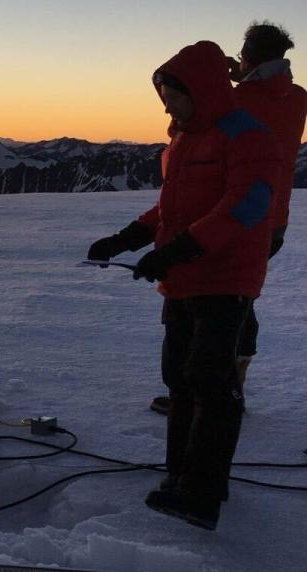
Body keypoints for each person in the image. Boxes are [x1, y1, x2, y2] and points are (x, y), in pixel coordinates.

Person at [86, 41, 280, 529]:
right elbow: (170, 208)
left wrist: (179, 249)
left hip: (225, 279)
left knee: (210, 382)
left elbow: (248, 206)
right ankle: (180, 476)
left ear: (201, 89)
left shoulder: (245, 136)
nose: (164, 104)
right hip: (183, 281)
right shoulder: (182, 139)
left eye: (171, 93)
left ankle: (202, 492)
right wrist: (127, 237)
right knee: (179, 376)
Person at [151, 23, 307, 415]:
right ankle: (231, 383)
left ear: (247, 56)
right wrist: (243, 77)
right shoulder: (298, 98)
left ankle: (207, 393)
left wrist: (218, 81)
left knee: (210, 302)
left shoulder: (239, 101)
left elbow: (185, 130)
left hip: (220, 215)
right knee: (241, 297)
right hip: (274, 218)